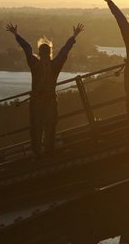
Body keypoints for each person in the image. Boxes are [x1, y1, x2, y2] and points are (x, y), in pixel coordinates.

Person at [6, 23, 83, 155]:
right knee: (49, 128)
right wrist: (74, 36)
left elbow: (27, 49)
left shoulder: (35, 65)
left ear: (40, 53)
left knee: (37, 129)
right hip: (50, 101)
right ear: (50, 53)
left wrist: (16, 35)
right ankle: (48, 152)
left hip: (37, 101)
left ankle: (38, 153)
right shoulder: (54, 65)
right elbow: (64, 51)